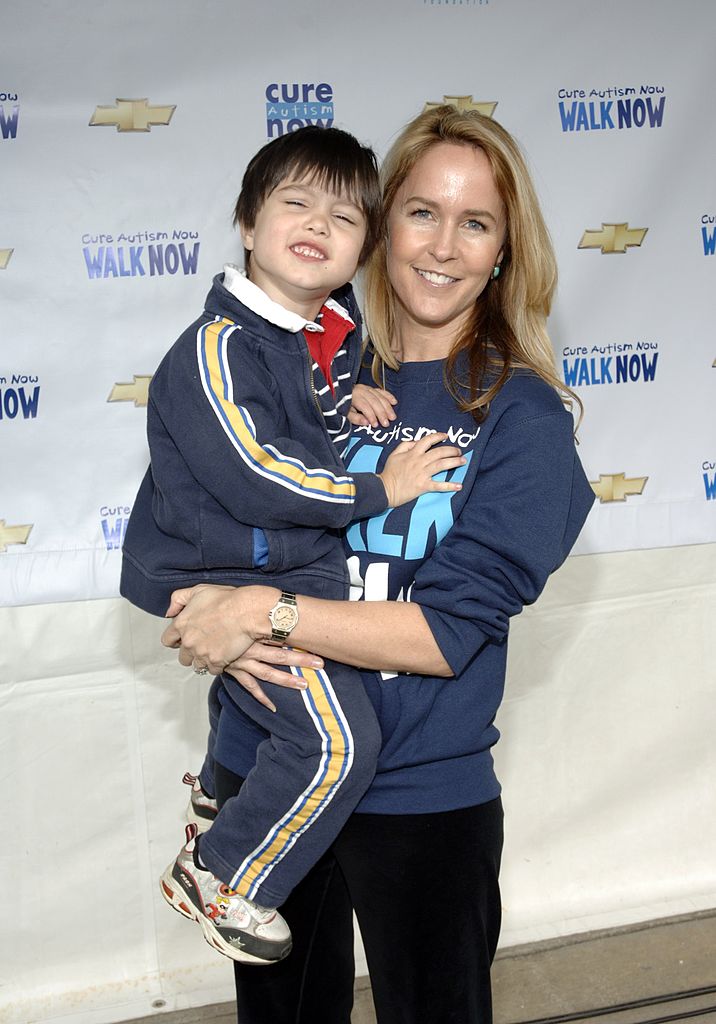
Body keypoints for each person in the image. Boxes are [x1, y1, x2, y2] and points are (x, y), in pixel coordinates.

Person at [161, 105, 596, 1024]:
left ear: (505, 250)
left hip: (419, 793)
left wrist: (261, 614)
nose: (442, 246)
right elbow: (199, 516)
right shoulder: (300, 370)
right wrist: (218, 619)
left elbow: (445, 634)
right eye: (420, 213)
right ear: (375, 224)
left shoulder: (524, 420)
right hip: (272, 770)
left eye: (475, 222)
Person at [120, 125, 466, 965]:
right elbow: (258, 474)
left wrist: (348, 405)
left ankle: (218, 801)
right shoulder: (218, 345)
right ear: (246, 221)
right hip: (233, 568)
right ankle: (221, 869)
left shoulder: (318, 335)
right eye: (295, 203)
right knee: (340, 742)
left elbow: (296, 410)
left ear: (363, 250)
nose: (318, 223)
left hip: (269, 575)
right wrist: (383, 487)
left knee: (299, 712)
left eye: (345, 217)